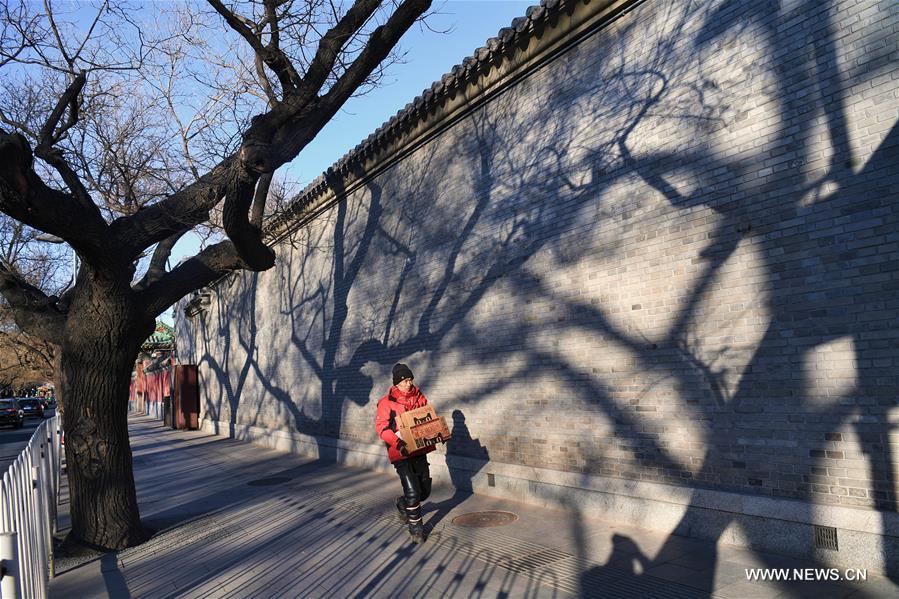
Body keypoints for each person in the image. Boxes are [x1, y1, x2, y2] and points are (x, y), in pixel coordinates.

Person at [375, 363, 435, 544]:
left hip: (419, 450)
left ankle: (402, 505)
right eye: (404, 381)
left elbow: (427, 419)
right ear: (396, 384)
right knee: (412, 492)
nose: (408, 384)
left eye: (410, 380)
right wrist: (398, 442)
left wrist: (436, 433)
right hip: (400, 452)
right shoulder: (386, 403)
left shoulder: (419, 397)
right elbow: (382, 429)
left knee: (424, 493)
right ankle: (416, 530)